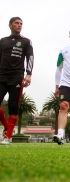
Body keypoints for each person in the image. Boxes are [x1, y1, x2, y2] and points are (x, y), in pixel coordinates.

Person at [0, 17, 34, 145]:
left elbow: (30, 58)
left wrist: (29, 74)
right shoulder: (2, 41)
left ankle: (7, 137)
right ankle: (7, 127)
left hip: (17, 77)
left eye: (21, 23)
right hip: (1, 76)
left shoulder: (26, 41)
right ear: (10, 25)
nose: (19, 25)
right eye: (16, 23)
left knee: (13, 107)